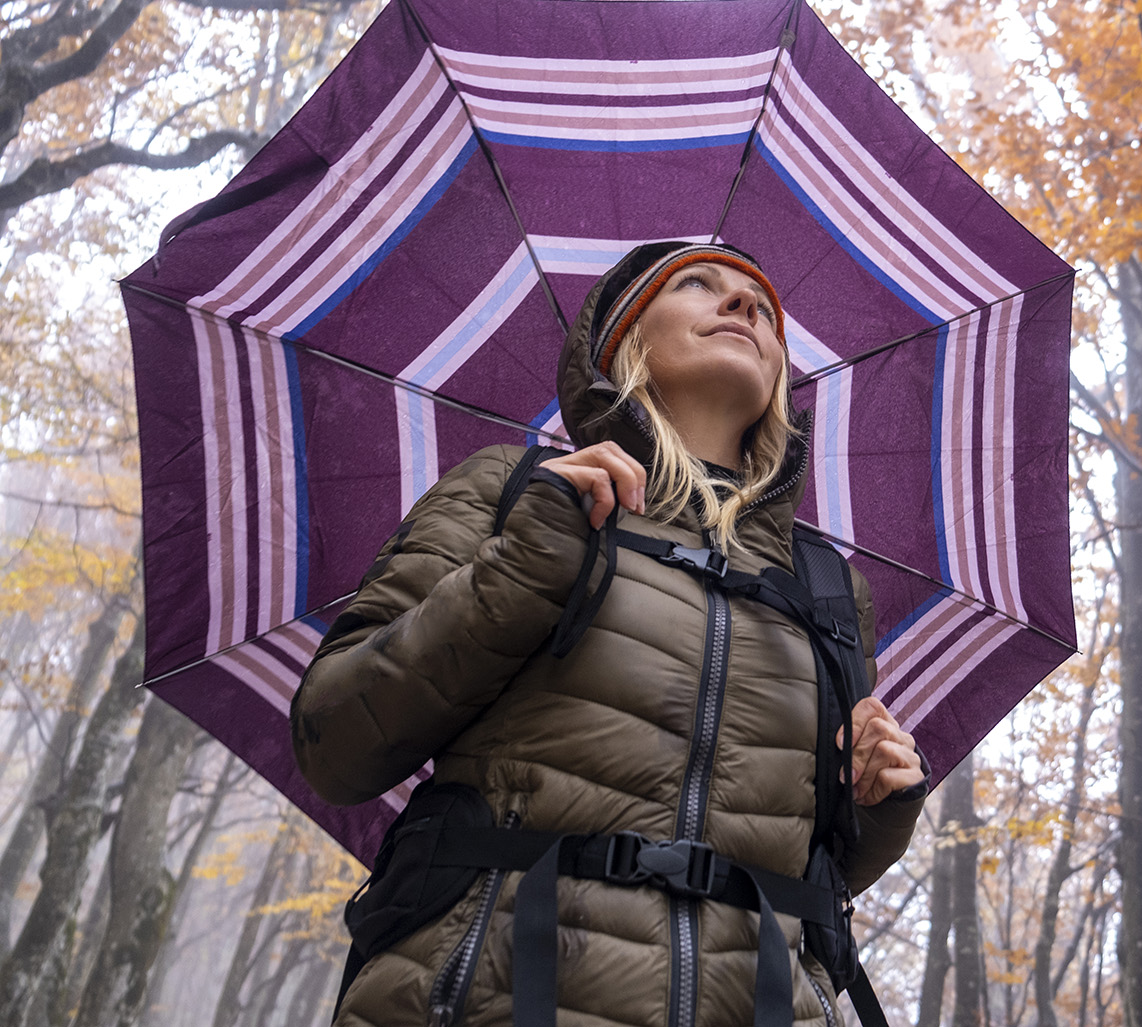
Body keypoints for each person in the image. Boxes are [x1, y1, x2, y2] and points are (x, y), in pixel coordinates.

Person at [291, 241, 927, 1027]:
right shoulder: (515, 491)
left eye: (762, 309)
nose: (744, 308)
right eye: (699, 284)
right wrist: (527, 564)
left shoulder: (829, 587)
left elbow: (798, 868)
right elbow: (338, 742)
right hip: (491, 994)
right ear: (624, 338)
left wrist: (878, 806)